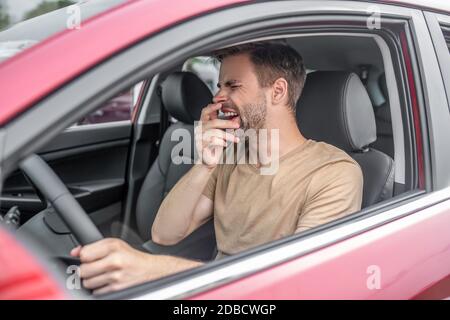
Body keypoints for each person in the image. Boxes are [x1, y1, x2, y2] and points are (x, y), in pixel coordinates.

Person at [71, 42, 363, 294]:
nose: (217, 97)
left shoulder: (334, 173)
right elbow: (165, 234)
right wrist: (205, 164)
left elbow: (297, 286)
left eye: (233, 85)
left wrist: (152, 270)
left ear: (277, 91)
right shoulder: (230, 157)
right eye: (219, 85)